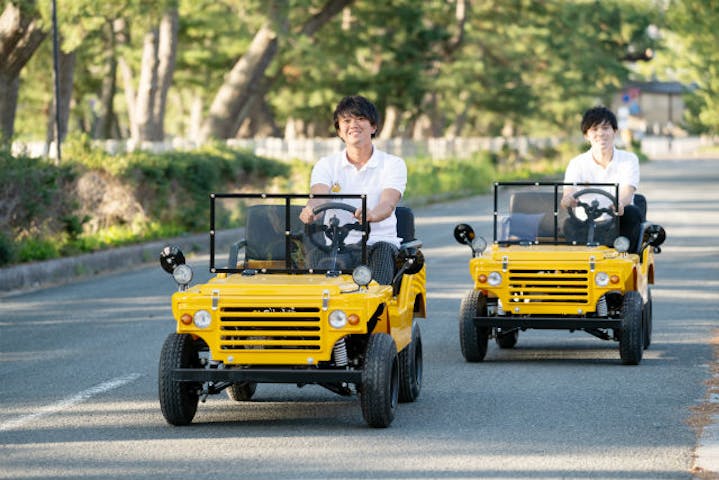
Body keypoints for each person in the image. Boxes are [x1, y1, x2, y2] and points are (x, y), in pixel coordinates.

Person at [299, 95, 407, 284]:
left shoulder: (392, 164)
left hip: (377, 243)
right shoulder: (326, 165)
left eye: (360, 119)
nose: (353, 125)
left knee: (378, 268)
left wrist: (371, 215)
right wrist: (311, 210)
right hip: (336, 245)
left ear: (373, 127)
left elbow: (388, 203)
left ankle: (375, 310)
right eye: (347, 121)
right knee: (315, 265)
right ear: (339, 131)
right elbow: (319, 197)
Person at [560, 105, 643, 250]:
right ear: (586, 135)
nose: (600, 133)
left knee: (632, 212)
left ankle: (624, 261)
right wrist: (568, 199)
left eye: (605, 128)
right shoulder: (576, 163)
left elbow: (627, 192)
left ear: (614, 131)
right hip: (586, 223)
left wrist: (619, 204)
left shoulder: (629, 159)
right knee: (568, 223)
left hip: (617, 223)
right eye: (594, 129)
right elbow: (568, 192)